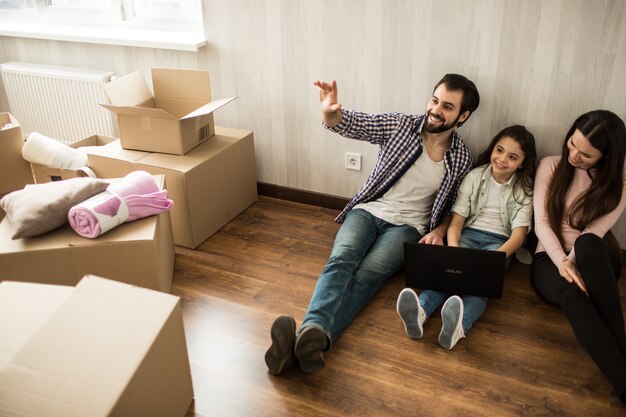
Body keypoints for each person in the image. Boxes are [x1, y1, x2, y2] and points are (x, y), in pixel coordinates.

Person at [264, 74, 480, 375]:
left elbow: (456, 206)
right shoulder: (401, 125)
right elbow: (354, 123)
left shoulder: (462, 157)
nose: (435, 109)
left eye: (447, 106)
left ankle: (298, 345)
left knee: (367, 277)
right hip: (367, 212)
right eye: (434, 100)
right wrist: (331, 112)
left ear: (463, 115)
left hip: (407, 228)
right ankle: (315, 334)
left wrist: (439, 230)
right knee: (341, 260)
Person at [396, 125, 536, 349]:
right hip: (467, 235)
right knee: (445, 276)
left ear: (522, 162)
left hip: (500, 243)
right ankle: (419, 312)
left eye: (512, 157)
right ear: (493, 148)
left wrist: (493, 260)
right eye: (499, 150)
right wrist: (454, 250)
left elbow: (518, 236)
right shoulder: (475, 176)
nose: (502, 159)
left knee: (479, 287)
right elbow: (457, 220)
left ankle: (458, 326)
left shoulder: (525, 189)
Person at [530, 110, 626, 405]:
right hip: (550, 257)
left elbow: (597, 231)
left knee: (586, 242)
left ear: (606, 158)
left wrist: (575, 261)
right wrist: (562, 263)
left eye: (586, 155)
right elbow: (543, 223)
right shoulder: (550, 166)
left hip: (595, 256)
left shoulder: (618, 182)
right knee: (574, 299)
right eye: (572, 144)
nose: (573, 155)